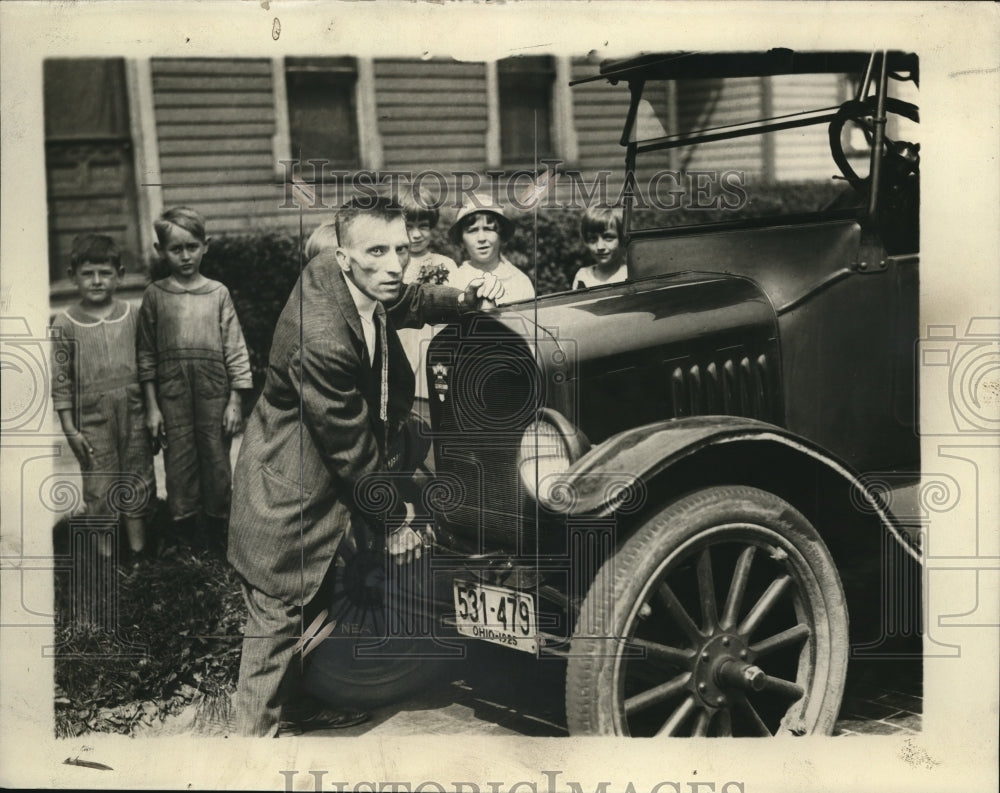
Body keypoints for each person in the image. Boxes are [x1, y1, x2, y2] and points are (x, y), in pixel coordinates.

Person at [227, 195, 504, 737]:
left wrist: (464, 299)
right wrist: (397, 518)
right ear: (343, 256)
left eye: (400, 249)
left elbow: (406, 300)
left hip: (323, 479)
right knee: (279, 619)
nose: (394, 265)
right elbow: (349, 448)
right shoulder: (322, 336)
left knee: (319, 601)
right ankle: (248, 751)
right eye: (377, 251)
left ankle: (300, 706)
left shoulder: (351, 278)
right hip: (290, 493)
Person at [136, 207, 253, 548]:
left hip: (214, 392)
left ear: (206, 246)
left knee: (217, 461)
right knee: (179, 463)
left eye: (192, 246)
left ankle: (218, 537)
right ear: (161, 251)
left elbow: (235, 348)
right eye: (176, 249)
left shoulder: (218, 293)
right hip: (171, 394)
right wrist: (151, 407)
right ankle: (185, 539)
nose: (185, 256)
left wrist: (235, 400)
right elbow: (145, 355)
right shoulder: (154, 296)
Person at [50, 234, 156, 564]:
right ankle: (106, 558)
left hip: (134, 411)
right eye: (88, 273)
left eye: (105, 273)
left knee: (137, 477)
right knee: (99, 483)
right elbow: (62, 381)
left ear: (120, 274)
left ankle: (139, 554)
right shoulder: (64, 323)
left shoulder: (133, 315)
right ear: (72, 276)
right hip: (92, 419)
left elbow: (147, 364)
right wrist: (70, 428)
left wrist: (153, 410)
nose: (97, 281)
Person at [397, 184, 457, 400]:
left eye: (423, 226)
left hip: (435, 346)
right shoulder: (392, 265)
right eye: (408, 227)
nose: (416, 235)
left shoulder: (445, 264)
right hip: (402, 344)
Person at [448, 195, 535, 305]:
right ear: (461, 238)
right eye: (472, 230)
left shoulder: (520, 281)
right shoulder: (454, 280)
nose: (481, 238)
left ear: (501, 235)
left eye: (488, 229)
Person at [572, 205, 628, 289]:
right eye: (593, 239)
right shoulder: (583, 277)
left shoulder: (631, 274)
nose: (600, 246)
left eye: (608, 237)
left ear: (623, 239)